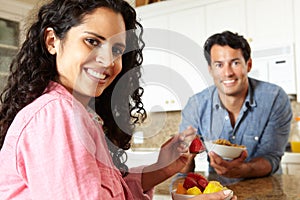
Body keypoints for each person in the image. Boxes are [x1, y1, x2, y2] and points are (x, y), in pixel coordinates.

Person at [0, 0, 235, 199]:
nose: (108, 61)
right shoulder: (57, 114)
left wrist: (160, 167)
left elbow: (110, 190)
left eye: (117, 50)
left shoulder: (78, 113)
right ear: (52, 41)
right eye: (92, 41)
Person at [179, 31, 292, 183]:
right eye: (219, 65)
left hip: (266, 189)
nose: (227, 73)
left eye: (235, 63)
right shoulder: (196, 105)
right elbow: (182, 171)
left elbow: (271, 158)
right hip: (219, 191)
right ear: (210, 69)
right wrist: (184, 154)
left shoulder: (275, 98)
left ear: (248, 65)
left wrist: (240, 171)